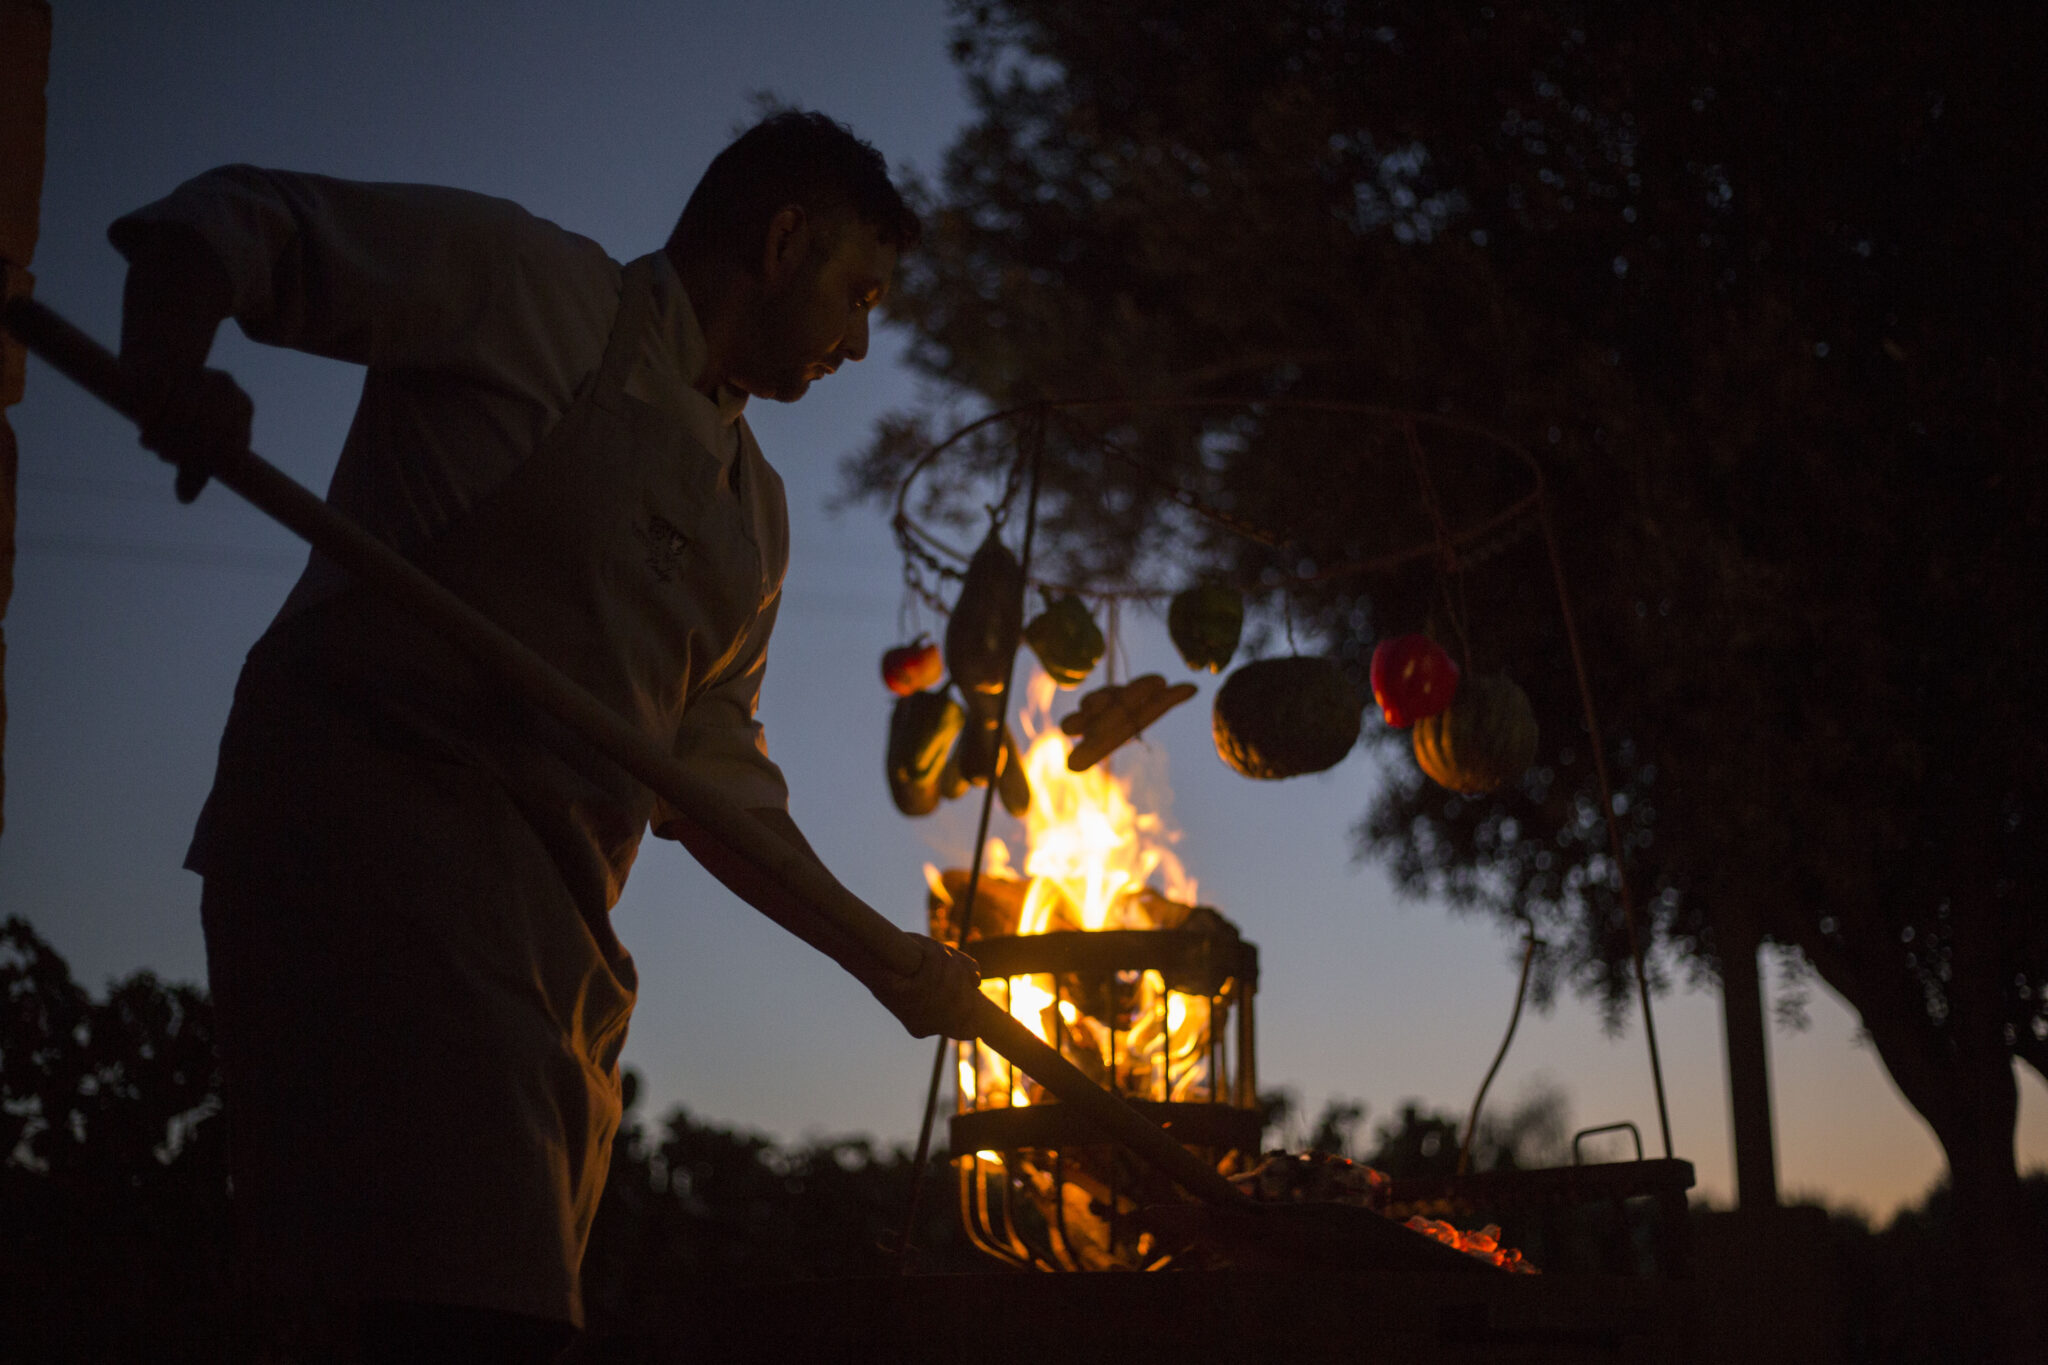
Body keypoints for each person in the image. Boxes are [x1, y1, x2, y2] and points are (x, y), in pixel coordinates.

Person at [111, 111, 981, 1363]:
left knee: (479, 1298)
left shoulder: (756, 519)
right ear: (784, 240)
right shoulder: (536, 292)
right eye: (859, 293)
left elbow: (713, 786)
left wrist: (885, 960)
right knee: (429, 1304)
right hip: (366, 865)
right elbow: (239, 222)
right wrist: (166, 360)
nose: (859, 338)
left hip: (555, 946)